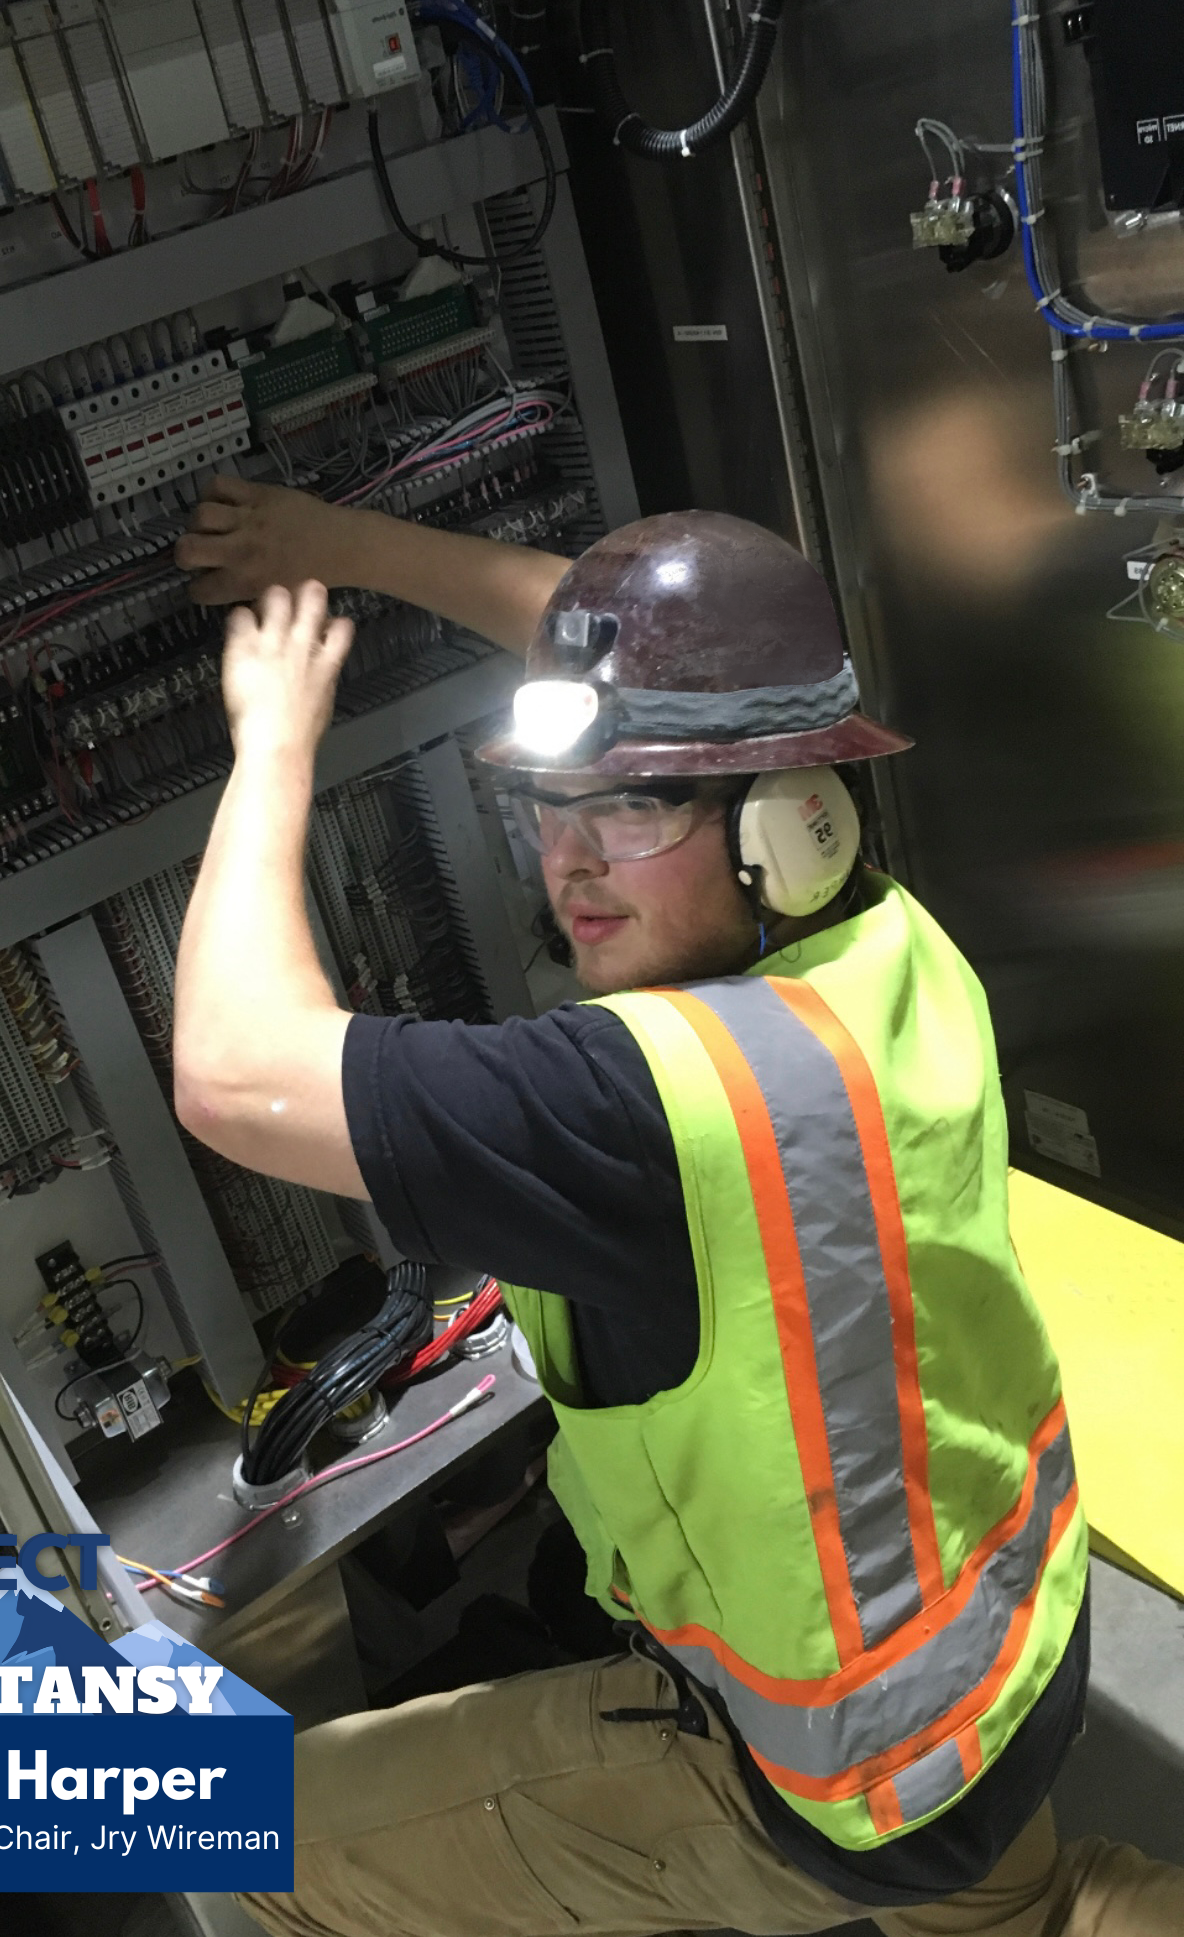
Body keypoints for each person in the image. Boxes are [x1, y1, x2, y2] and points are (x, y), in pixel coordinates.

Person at [165, 478, 1184, 1935]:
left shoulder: (656, 1098)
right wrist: (332, 548)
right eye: (545, 808)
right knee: (1013, 1909)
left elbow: (228, 1075)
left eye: (629, 808)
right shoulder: (885, 944)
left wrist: (273, 739)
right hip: (1001, 1650)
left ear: (790, 819)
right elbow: (643, 658)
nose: (567, 865)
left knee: (261, 1838)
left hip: (829, 1773)